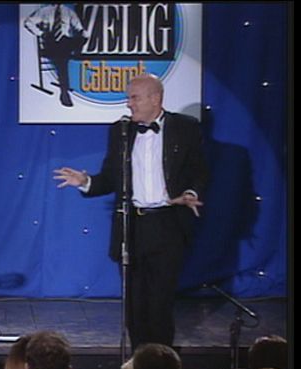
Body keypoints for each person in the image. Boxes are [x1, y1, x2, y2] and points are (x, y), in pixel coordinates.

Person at [53, 74, 209, 351]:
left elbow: (200, 171)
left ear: (155, 98)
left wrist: (191, 193)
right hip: (132, 225)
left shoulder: (185, 127)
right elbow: (111, 178)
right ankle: (137, 364)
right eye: (128, 98)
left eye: (134, 98)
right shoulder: (121, 131)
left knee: (159, 303)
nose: (128, 104)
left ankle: (161, 363)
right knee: (135, 305)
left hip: (168, 225)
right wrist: (86, 182)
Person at [24, 3, 88, 107]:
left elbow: (78, 27)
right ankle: (64, 92)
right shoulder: (44, 11)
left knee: (77, 40)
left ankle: (72, 55)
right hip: (50, 42)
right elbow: (28, 22)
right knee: (62, 58)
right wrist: (41, 33)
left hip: (64, 42)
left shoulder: (68, 11)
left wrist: (83, 33)